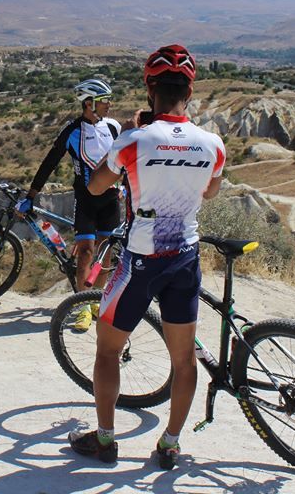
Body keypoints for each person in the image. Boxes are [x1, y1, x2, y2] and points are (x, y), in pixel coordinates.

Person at [67, 45, 225, 469]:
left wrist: (128, 137)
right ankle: (170, 444)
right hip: (185, 258)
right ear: (189, 93)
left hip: (141, 261)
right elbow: (210, 192)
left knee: (106, 351)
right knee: (184, 359)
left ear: (149, 89)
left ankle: (104, 440)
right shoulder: (212, 143)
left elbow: (99, 186)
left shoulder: (133, 140)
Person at [15, 78, 121, 327]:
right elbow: (50, 162)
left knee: (106, 252)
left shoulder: (114, 127)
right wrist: (31, 194)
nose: (109, 104)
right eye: (104, 100)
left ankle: (97, 301)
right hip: (85, 199)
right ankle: (83, 306)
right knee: (85, 253)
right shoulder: (72, 131)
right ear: (88, 104)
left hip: (111, 198)